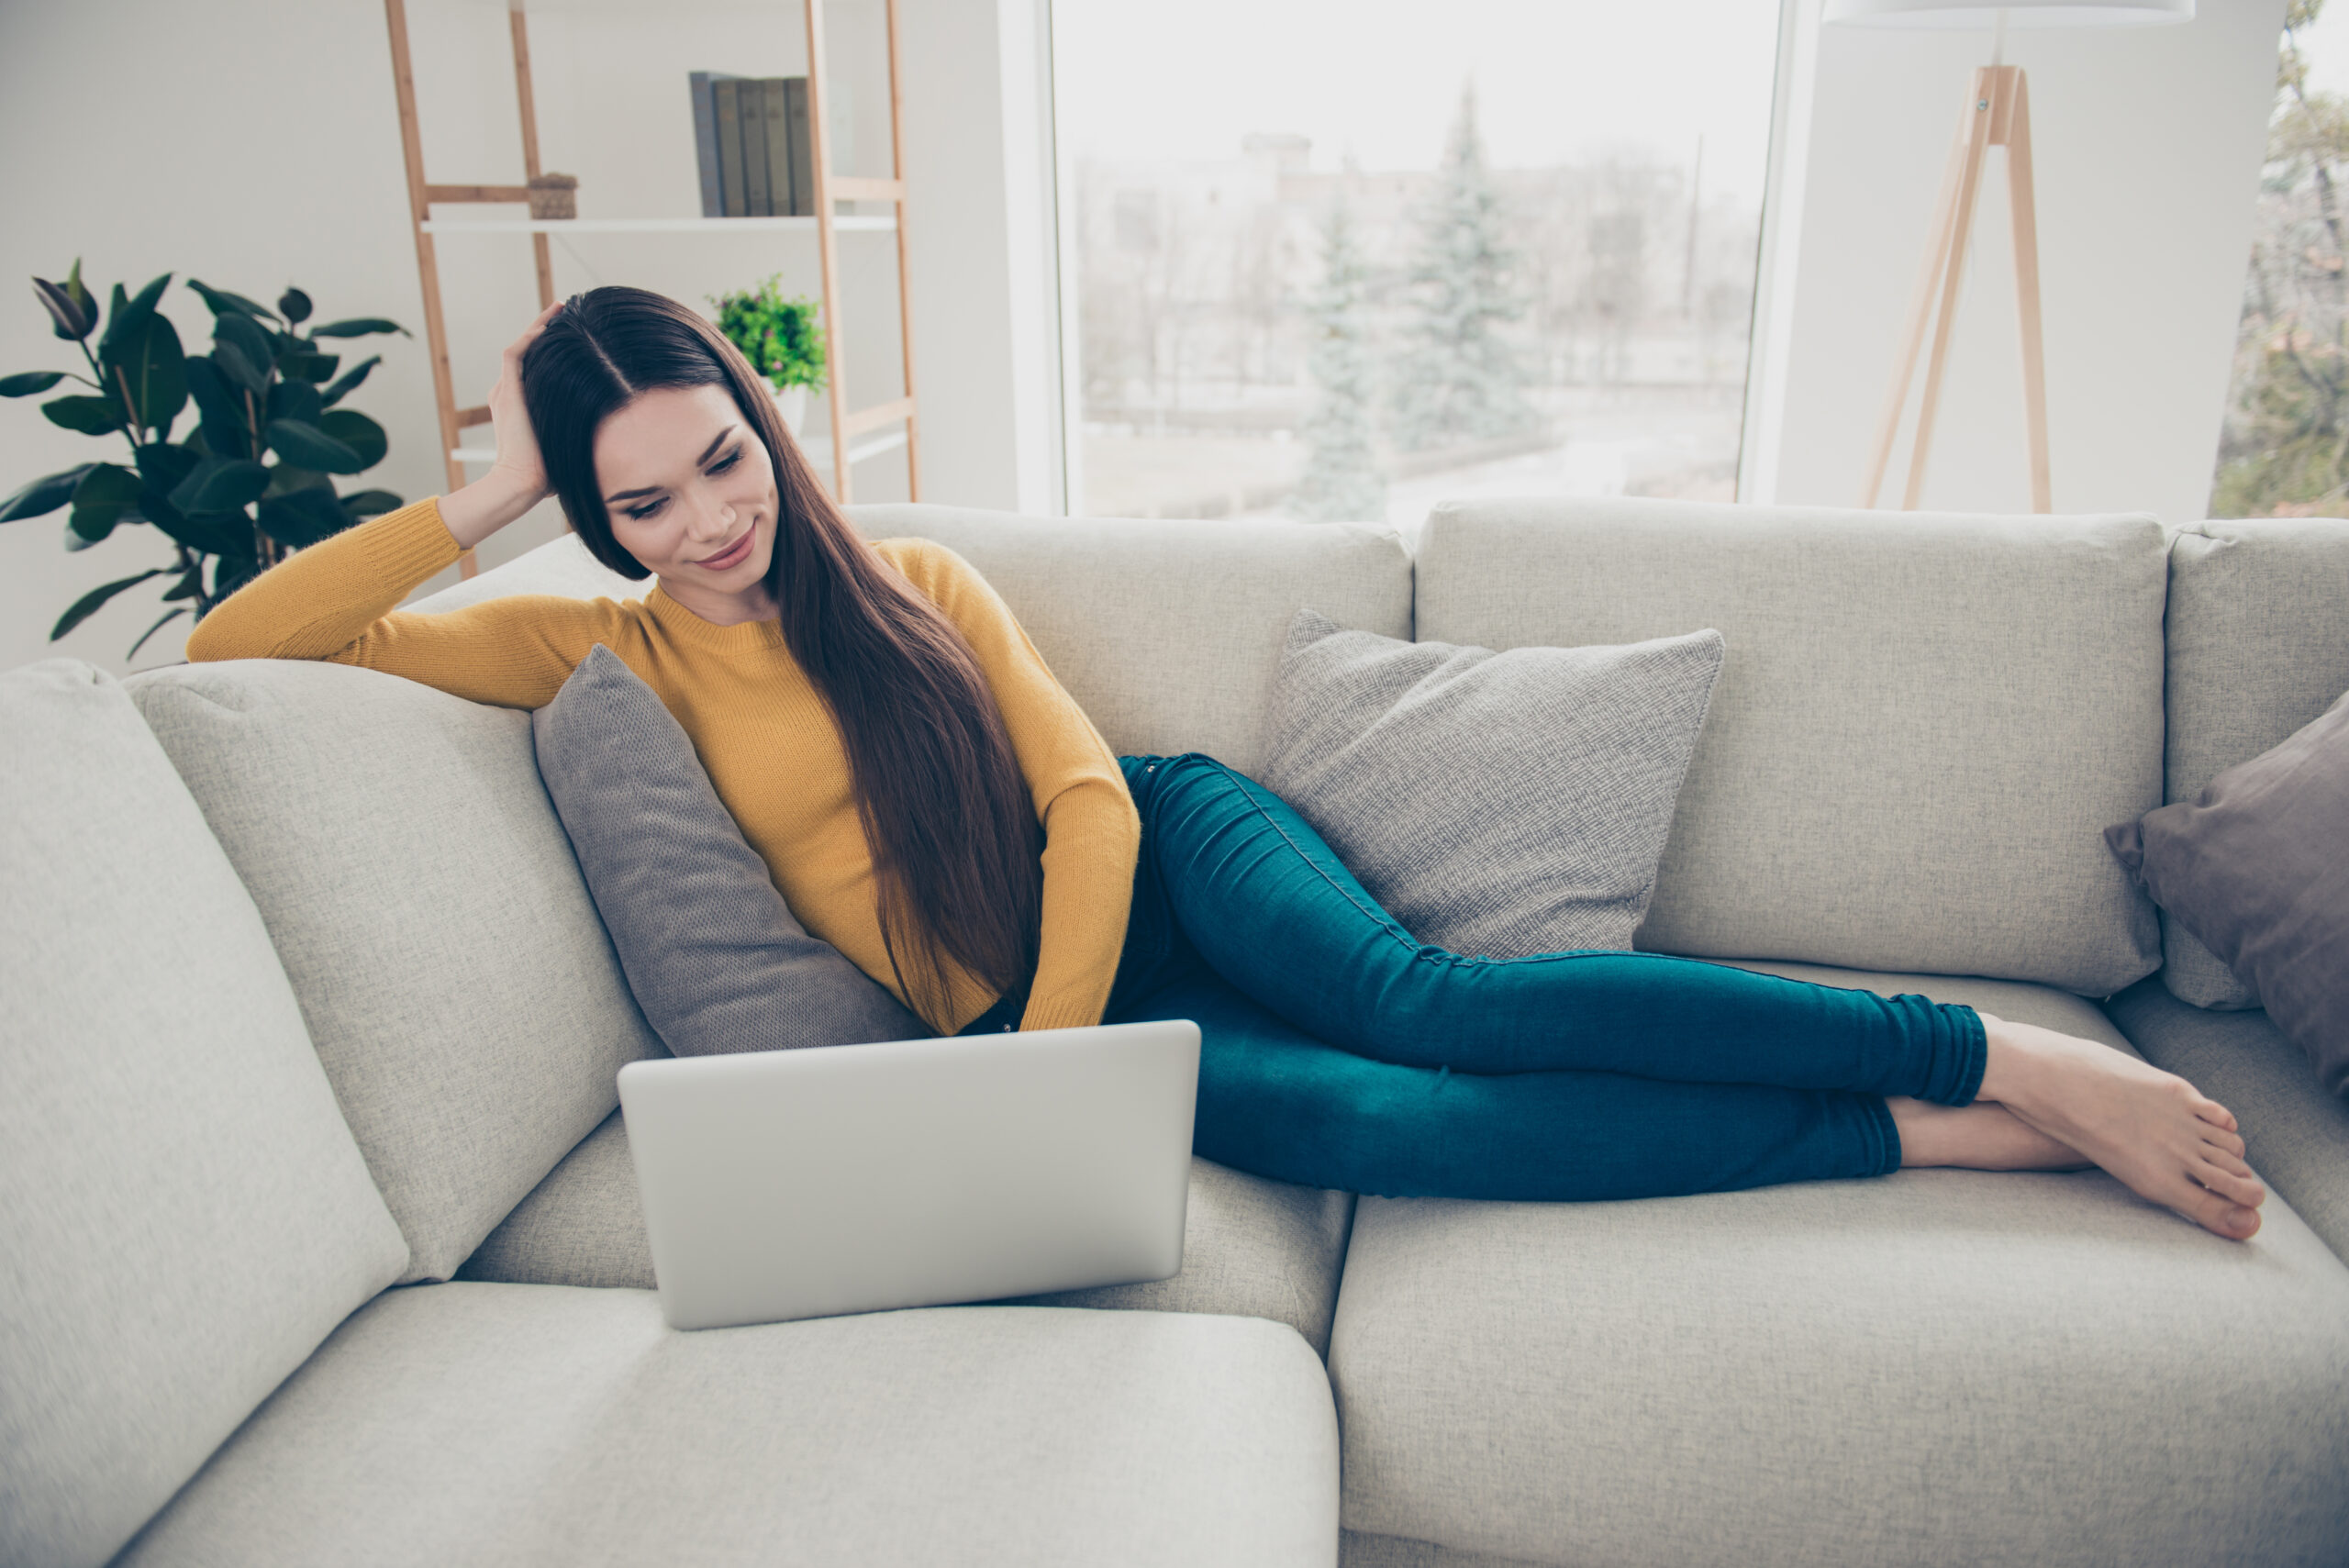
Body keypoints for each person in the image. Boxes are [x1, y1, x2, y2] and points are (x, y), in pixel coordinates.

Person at [187, 286, 2268, 1242]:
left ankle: (1990, 1058)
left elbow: (1086, 800)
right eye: (642, 499)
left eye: (718, 456)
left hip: (1163, 870)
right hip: (1052, 1018)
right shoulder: (598, 644)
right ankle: (1911, 1146)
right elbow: (241, 643)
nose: (708, 520)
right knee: (1398, 1130)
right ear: (598, 516)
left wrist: (1053, 1054)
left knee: (1432, 1009)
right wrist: (491, 493)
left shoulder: (907, 575)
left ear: (762, 421)